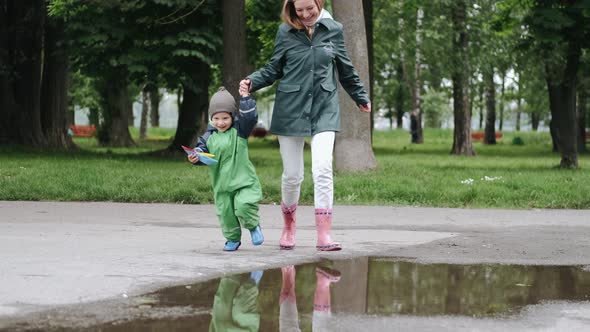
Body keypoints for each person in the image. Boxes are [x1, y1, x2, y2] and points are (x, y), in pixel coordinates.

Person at [240, 0, 371, 251]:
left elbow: (344, 67)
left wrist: (360, 96)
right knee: (292, 175)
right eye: (299, 11)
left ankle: (324, 235)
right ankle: (289, 225)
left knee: (322, 167)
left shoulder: (334, 29)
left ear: (319, 3)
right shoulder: (285, 32)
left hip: (324, 107)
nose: (305, 14)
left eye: (309, 8)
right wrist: (252, 81)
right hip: (291, 108)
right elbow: (273, 68)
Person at [188, 86, 264, 252]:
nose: (220, 122)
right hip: (222, 185)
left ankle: (253, 226)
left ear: (232, 116)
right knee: (226, 213)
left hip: (243, 181)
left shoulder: (240, 131)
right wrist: (196, 157)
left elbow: (250, 117)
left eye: (225, 118)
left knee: (244, 206)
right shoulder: (208, 137)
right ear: (211, 118)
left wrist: (245, 98)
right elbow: (203, 153)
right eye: (216, 118)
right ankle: (232, 238)